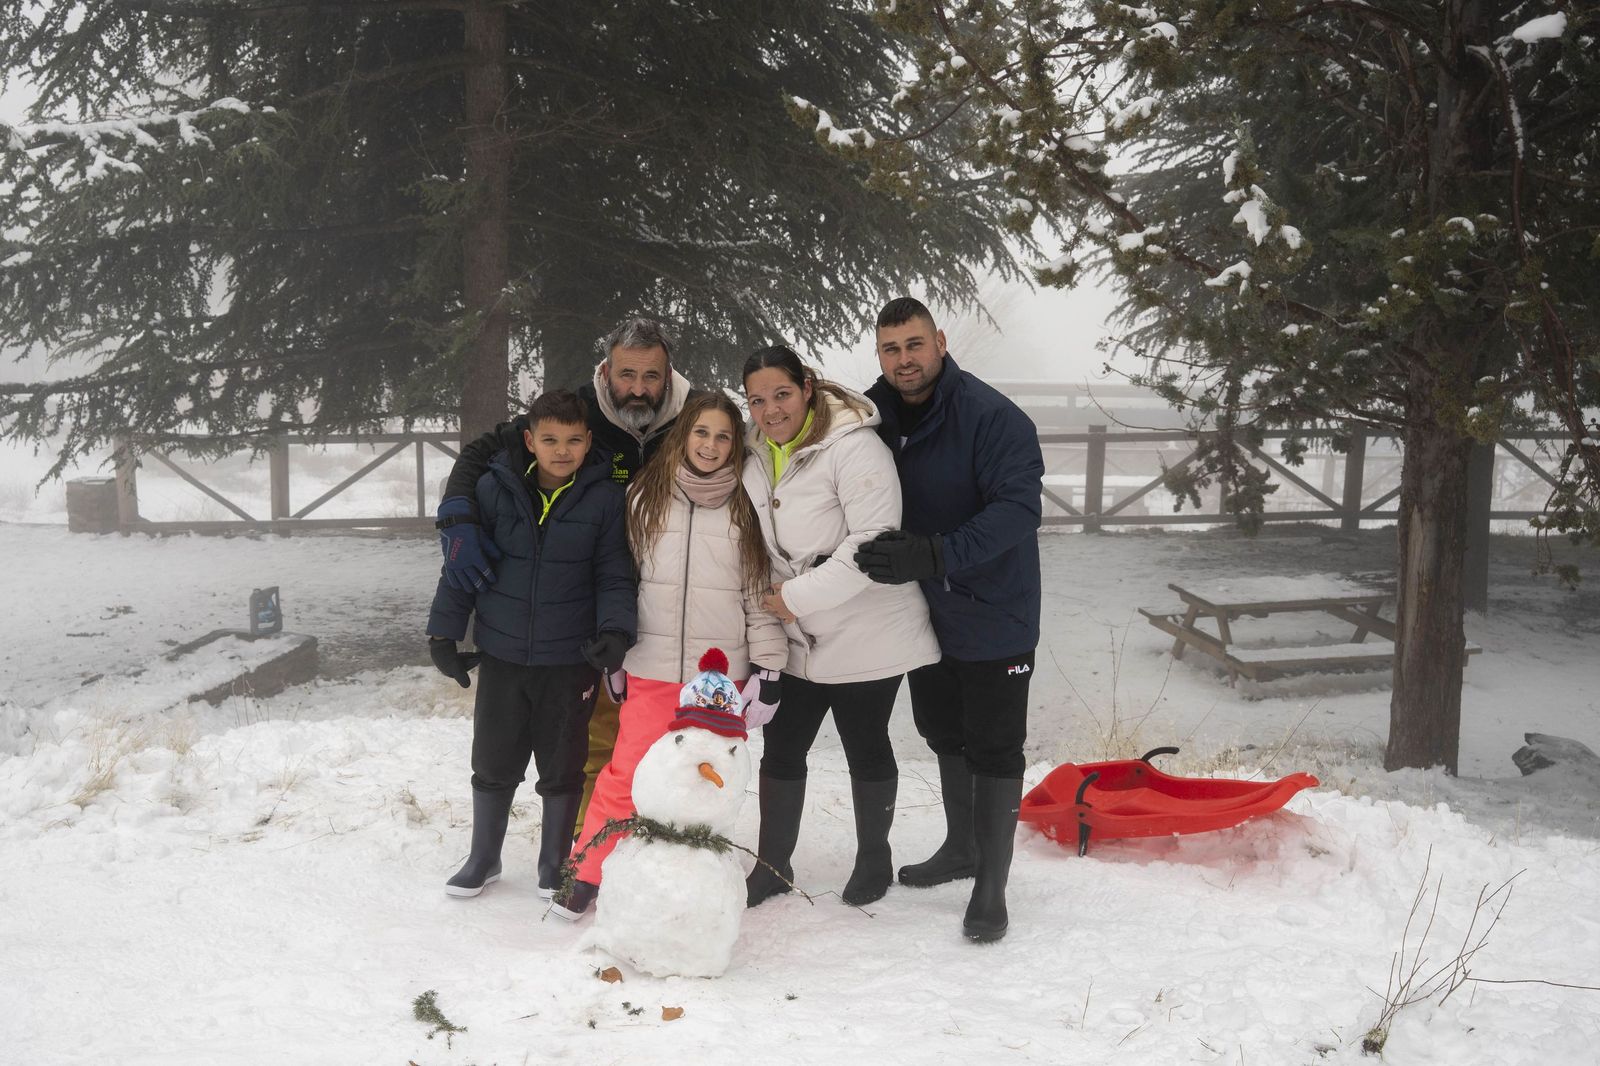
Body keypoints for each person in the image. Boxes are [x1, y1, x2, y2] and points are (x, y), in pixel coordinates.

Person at [434, 317, 697, 835]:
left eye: (650, 376)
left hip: (673, 591)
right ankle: (586, 837)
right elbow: (486, 452)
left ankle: (665, 832)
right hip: (586, 593)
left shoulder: (694, 415)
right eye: (626, 375)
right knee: (593, 728)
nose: (637, 388)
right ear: (606, 370)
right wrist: (458, 511)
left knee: (664, 726)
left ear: (668, 374)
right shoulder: (575, 412)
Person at [550, 392, 787, 918]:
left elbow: (758, 592)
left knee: (704, 781)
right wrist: (616, 656)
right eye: (701, 432)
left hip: (717, 678)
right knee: (626, 772)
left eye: (723, 436)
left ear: (735, 444)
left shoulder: (748, 505)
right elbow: (622, 583)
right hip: (652, 665)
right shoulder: (644, 496)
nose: (710, 445)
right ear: (683, 435)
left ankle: (691, 889)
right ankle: (586, 874)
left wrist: (769, 667)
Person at [854, 296, 1044, 943]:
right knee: (942, 731)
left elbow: (1018, 510)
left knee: (994, 745)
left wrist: (936, 553)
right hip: (923, 613)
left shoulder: (992, 417)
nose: (903, 360)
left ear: (939, 341)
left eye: (914, 344)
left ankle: (991, 883)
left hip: (994, 611)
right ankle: (961, 847)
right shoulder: (872, 418)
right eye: (891, 349)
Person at [740, 345, 941, 909]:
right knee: (783, 747)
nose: (771, 410)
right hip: (795, 633)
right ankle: (773, 866)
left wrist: (793, 599)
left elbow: (873, 543)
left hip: (866, 626)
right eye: (757, 400)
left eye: (782, 394)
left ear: (807, 388)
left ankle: (874, 858)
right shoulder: (753, 451)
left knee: (865, 743)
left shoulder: (854, 446)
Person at [425, 389, 637, 899]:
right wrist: (443, 634)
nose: (561, 451)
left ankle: (554, 861)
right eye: (550, 440)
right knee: (493, 761)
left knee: (563, 765)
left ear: (589, 442)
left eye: (573, 440)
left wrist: (615, 632)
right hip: (502, 655)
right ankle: (483, 857)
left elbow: (614, 574)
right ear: (529, 440)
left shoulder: (606, 499)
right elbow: (460, 569)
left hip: (569, 660)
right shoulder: (493, 490)